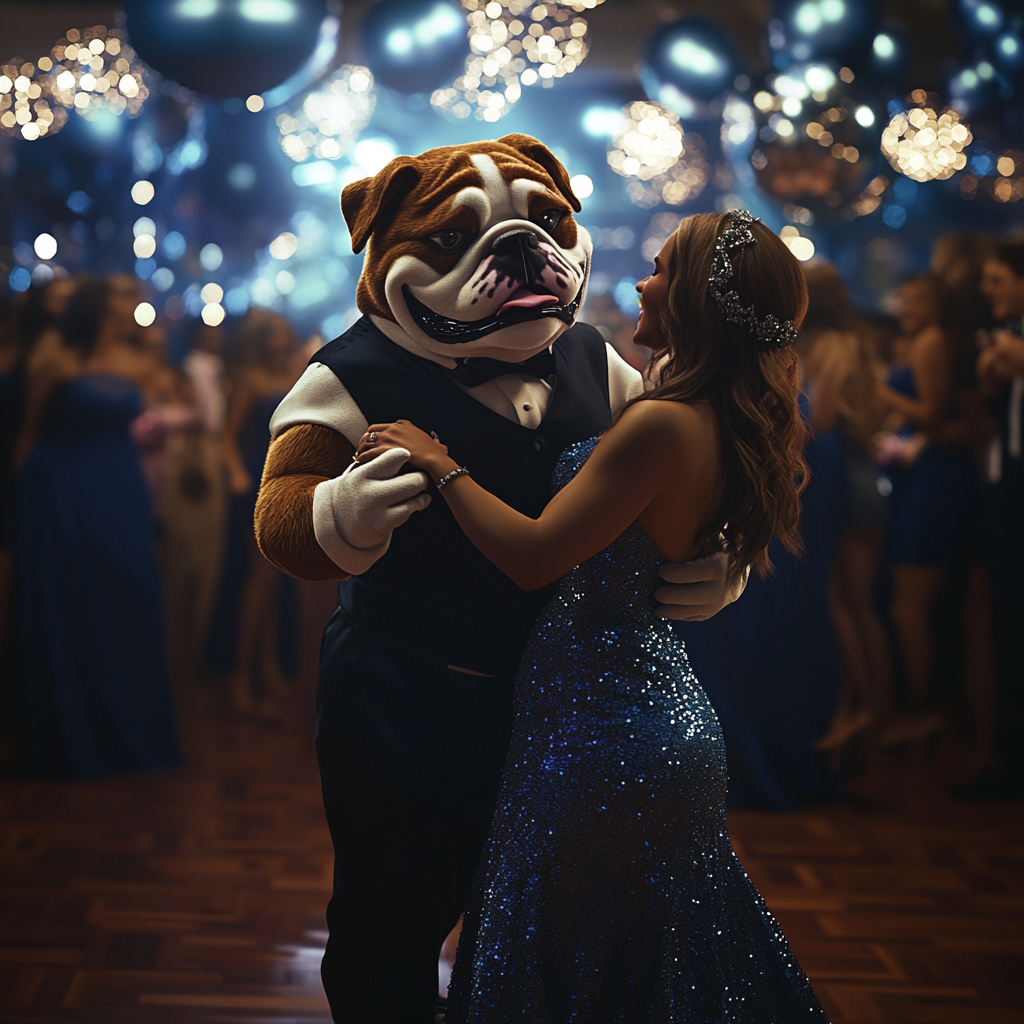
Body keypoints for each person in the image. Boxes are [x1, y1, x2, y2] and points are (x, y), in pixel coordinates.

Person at [354, 211, 827, 1021]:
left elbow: (537, 555)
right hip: (642, 716)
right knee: (639, 973)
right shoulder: (709, 414)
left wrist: (441, 465)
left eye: (658, 269)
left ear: (695, 301)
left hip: (602, 740)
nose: (639, 282)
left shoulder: (658, 420)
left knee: (569, 963)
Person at [12, 275, 181, 778]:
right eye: (125, 297)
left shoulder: (136, 361)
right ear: (102, 306)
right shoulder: (54, 355)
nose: (135, 303)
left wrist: (155, 342)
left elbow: (159, 395)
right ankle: (71, 735)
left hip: (121, 493)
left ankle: (128, 729)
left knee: (127, 599)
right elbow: (29, 434)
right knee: (73, 603)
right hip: (63, 491)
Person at [876, 274, 978, 746]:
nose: (908, 305)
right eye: (906, 297)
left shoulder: (931, 341)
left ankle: (921, 711)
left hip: (938, 476)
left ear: (938, 305)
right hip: (924, 473)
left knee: (907, 603)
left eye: (919, 298)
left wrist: (878, 389)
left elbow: (932, 415)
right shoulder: (919, 341)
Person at [801, 263, 892, 754]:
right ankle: (871, 716)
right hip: (858, 473)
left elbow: (825, 415)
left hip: (848, 477)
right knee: (858, 603)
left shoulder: (832, 344)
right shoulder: (850, 340)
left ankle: (861, 714)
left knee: (846, 600)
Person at [216, 309, 303, 714]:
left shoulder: (293, 376)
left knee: (273, 582)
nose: (279, 342)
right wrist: (236, 475)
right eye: (272, 336)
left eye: (283, 334)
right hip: (257, 476)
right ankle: (239, 675)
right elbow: (227, 437)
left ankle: (266, 668)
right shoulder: (250, 380)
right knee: (258, 580)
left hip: (288, 476)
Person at [968, 241, 1024, 798]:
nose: (988, 291)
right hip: (1005, 488)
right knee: (1005, 625)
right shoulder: (1007, 335)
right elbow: (990, 380)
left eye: (998, 280)